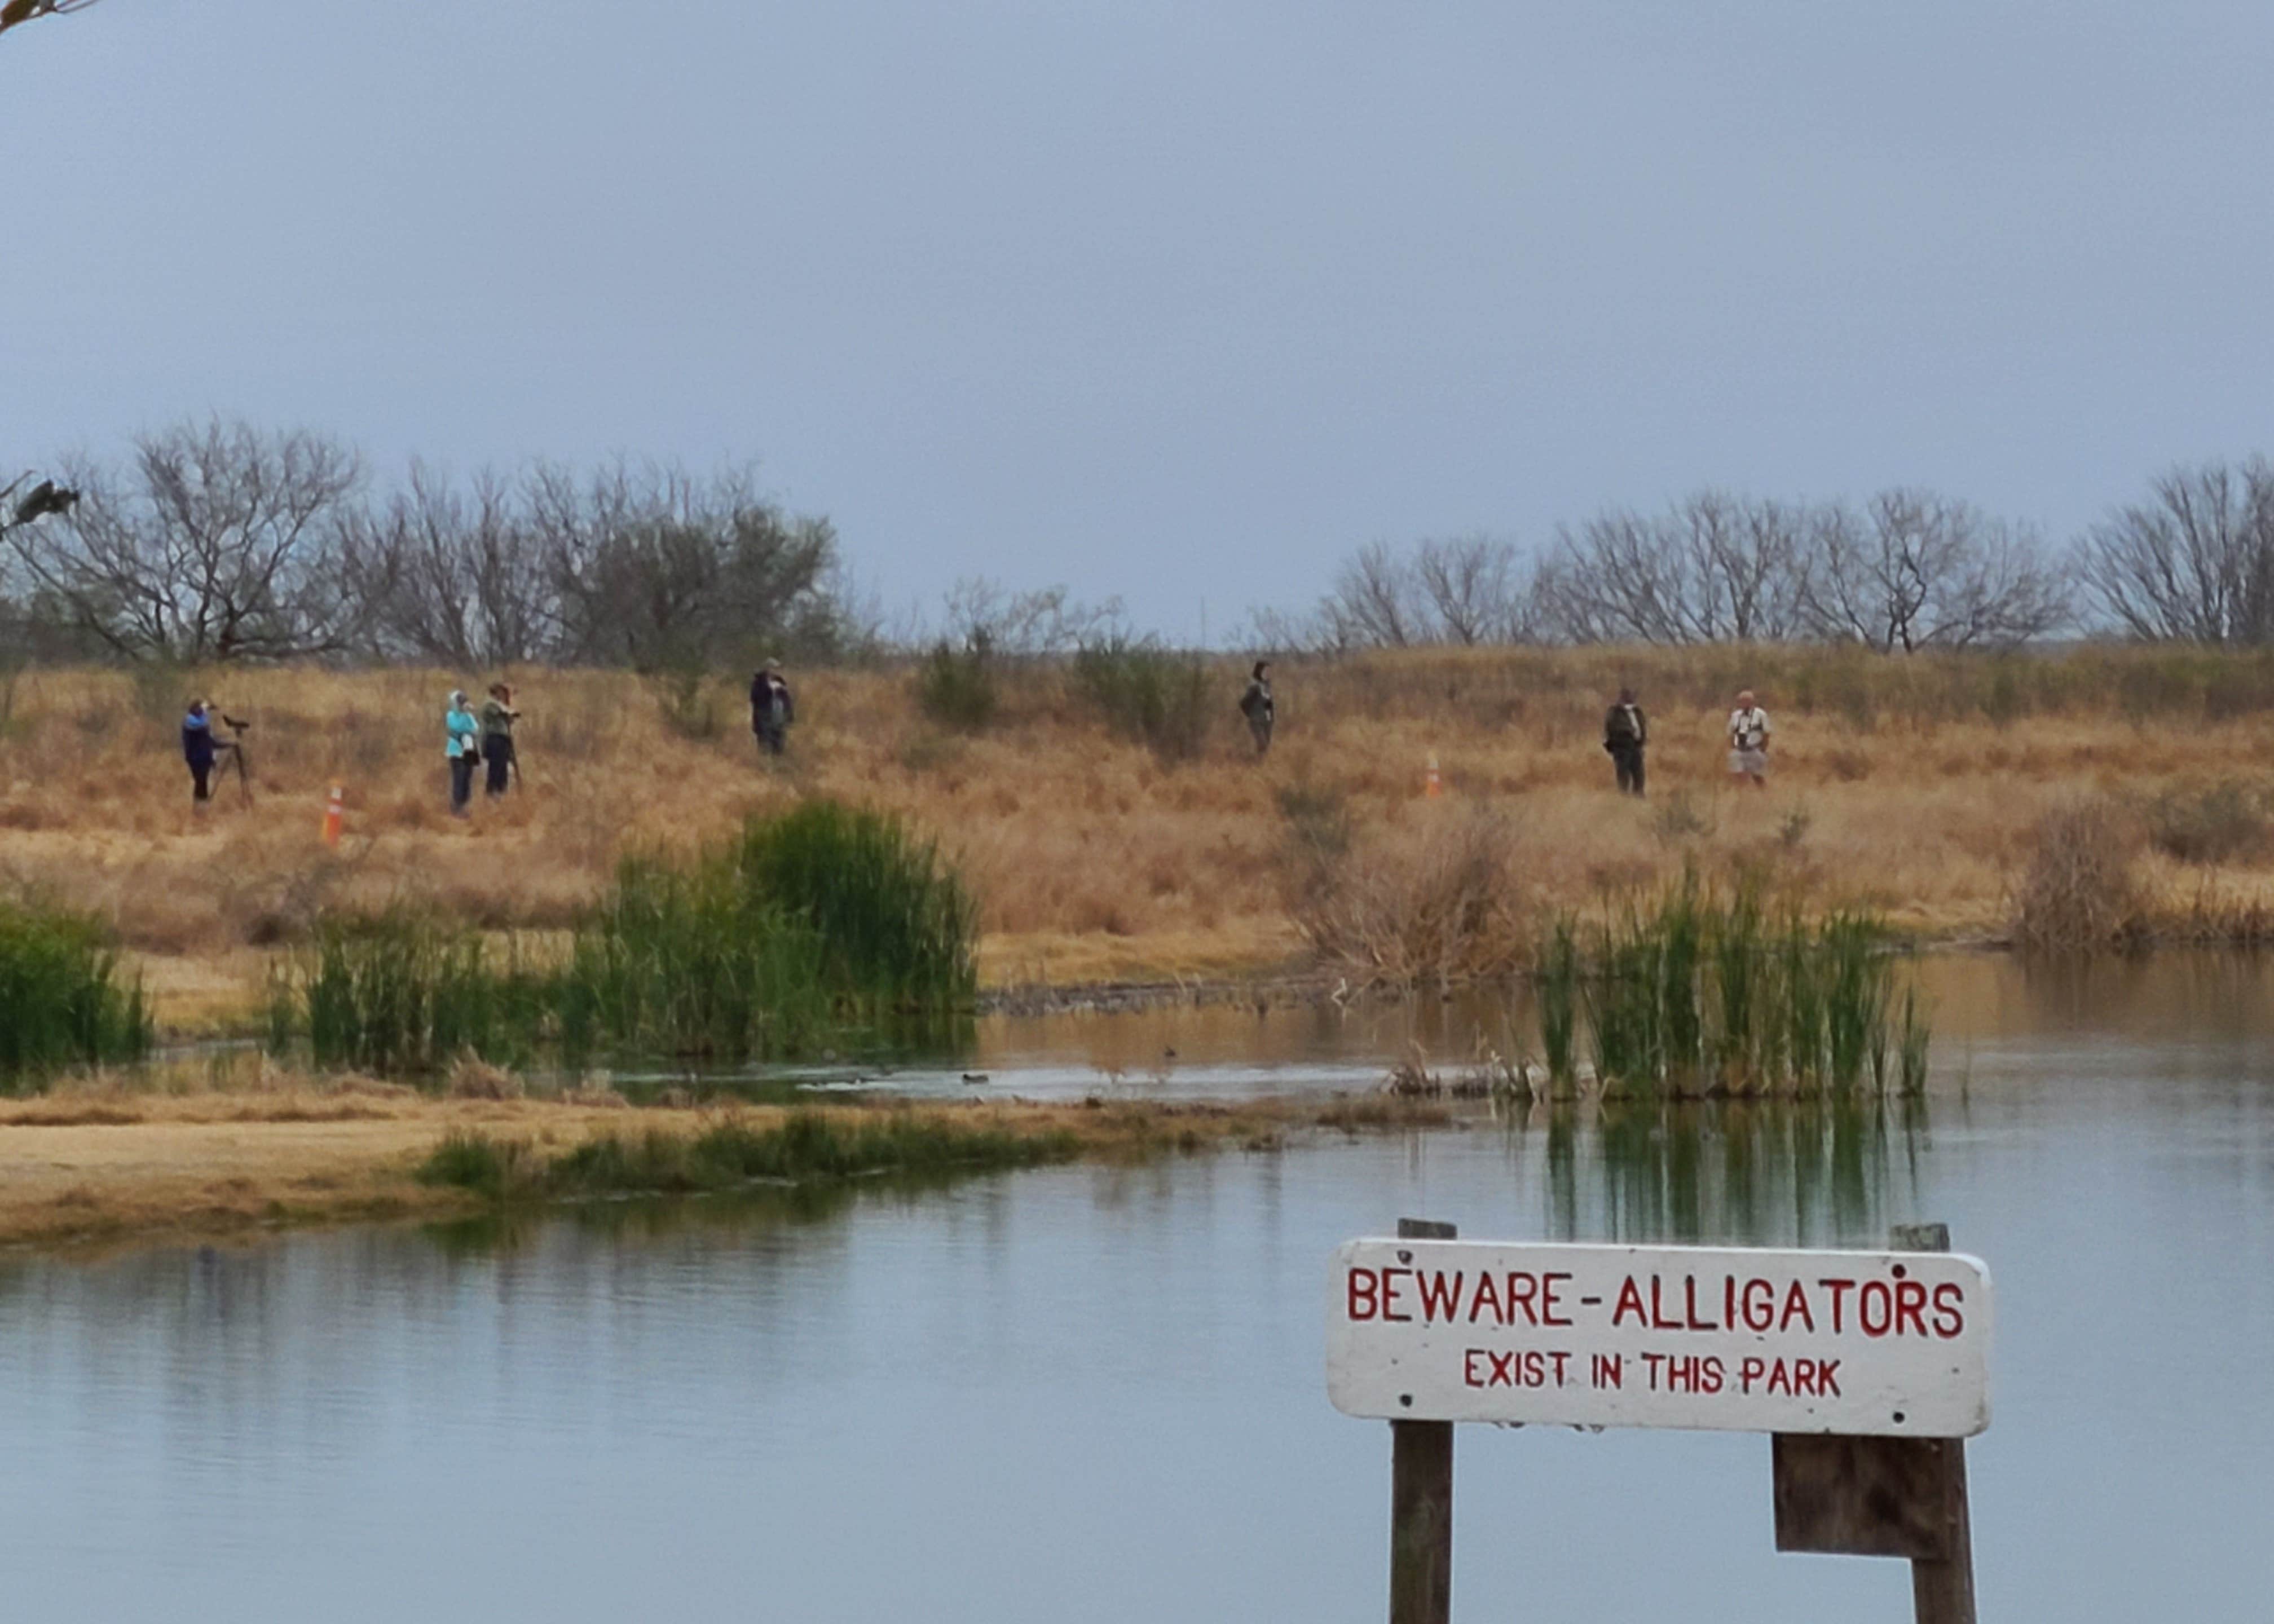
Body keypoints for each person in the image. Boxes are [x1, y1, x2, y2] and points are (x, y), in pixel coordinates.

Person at [1602, 686, 1647, 796]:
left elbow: (1642, 726)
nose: (1631, 698)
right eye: (1628, 695)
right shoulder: (1615, 712)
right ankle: (1623, 797)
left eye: (1632, 695)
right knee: (1623, 773)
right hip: (1622, 748)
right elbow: (1611, 728)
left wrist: (1641, 741)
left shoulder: (1637, 711)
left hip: (1636, 746)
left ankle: (1639, 795)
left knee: (1639, 773)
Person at [478, 682, 519, 798]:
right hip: (495, 739)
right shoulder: (490, 703)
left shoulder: (500, 705)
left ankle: (501, 792)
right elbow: (504, 712)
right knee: (495, 768)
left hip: (503, 740)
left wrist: (509, 701)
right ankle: (492, 793)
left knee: (503, 768)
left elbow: (509, 718)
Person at [444, 690, 479, 814]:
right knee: (459, 778)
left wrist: (468, 715)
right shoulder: (450, 715)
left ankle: (465, 805)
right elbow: (456, 728)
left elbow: (476, 729)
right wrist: (466, 724)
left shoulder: (469, 716)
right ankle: (457, 806)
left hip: (468, 751)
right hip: (456, 751)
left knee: (467, 778)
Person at [750, 659, 794, 757]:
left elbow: (787, 701)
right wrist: (769, 690)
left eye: (777, 668)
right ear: (767, 669)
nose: (776, 670)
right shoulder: (759, 682)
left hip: (779, 719)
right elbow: (755, 698)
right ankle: (763, 769)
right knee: (765, 745)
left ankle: (778, 767)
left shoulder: (780, 682)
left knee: (779, 746)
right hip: (764, 719)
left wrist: (789, 716)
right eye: (774, 668)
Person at [1728, 689, 1771, 788]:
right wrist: (1733, 747)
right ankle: (1743, 797)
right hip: (1739, 749)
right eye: (1741, 701)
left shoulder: (1761, 715)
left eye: (1746, 701)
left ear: (1752, 702)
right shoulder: (1735, 715)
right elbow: (1730, 733)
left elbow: (1767, 733)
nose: (1744, 703)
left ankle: (1763, 795)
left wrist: (1763, 749)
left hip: (1754, 749)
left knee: (1758, 776)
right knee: (1738, 775)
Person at [182, 699, 217, 805]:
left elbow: (210, 740)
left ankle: (202, 809)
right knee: (200, 783)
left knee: (203, 783)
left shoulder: (201, 722)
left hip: (204, 758)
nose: (202, 711)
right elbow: (200, 726)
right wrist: (205, 712)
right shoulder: (190, 720)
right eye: (200, 708)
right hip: (196, 758)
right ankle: (200, 809)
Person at [1238, 659, 1275, 756]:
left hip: (1267, 720)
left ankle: (1261, 765)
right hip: (1256, 720)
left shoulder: (1267, 686)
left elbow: (1268, 702)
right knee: (1262, 743)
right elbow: (1244, 702)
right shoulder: (1255, 686)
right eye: (1266, 671)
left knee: (1266, 745)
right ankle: (1256, 762)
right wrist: (1251, 715)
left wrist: (1271, 717)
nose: (1268, 674)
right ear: (1260, 671)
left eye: (1269, 671)